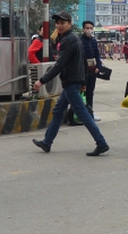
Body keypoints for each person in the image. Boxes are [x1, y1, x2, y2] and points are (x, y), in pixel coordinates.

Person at [32, 11, 109, 156]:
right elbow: (83, 61)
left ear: (70, 23)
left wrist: (41, 81)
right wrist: (83, 81)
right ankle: (47, 142)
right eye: (58, 23)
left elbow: (59, 65)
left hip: (71, 82)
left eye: (63, 23)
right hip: (72, 82)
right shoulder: (73, 38)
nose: (59, 25)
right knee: (58, 111)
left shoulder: (68, 40)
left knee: (83, 114)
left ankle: (101, 143)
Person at [80, 20, 105, 116]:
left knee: (90, 92)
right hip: (83, 72)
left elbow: (97, 55)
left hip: (93, 71)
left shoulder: (94, 41)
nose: (89, 30)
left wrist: (98, 66)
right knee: (83, 92)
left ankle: (90, 112)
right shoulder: (80, 41)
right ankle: (82, 113)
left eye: (91, 28)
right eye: (87, 28)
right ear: (83, 29)